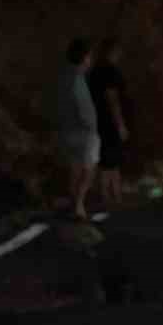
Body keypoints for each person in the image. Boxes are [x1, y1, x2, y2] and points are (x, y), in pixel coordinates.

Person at [57, 38, 99, 221]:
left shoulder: (64, 77)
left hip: (67, 129)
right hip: (85, 131)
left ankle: (75, 203)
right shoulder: (78, 79)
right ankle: (79, 203)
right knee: (89, 169)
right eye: (89, 56)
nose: (90, 60)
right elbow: (83, 107)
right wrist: (93, 126)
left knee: (74, 167)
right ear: (83, 57)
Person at [87, 37, 131, 209]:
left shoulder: (94, 71)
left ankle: (114, 195)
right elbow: (112, 99)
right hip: (109, 123)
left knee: (109, 160)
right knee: (109, 161)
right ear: (113, 52)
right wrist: (120, 124)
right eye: (118, 52)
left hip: (98, 121)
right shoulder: (109, 71)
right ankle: (109, 197)